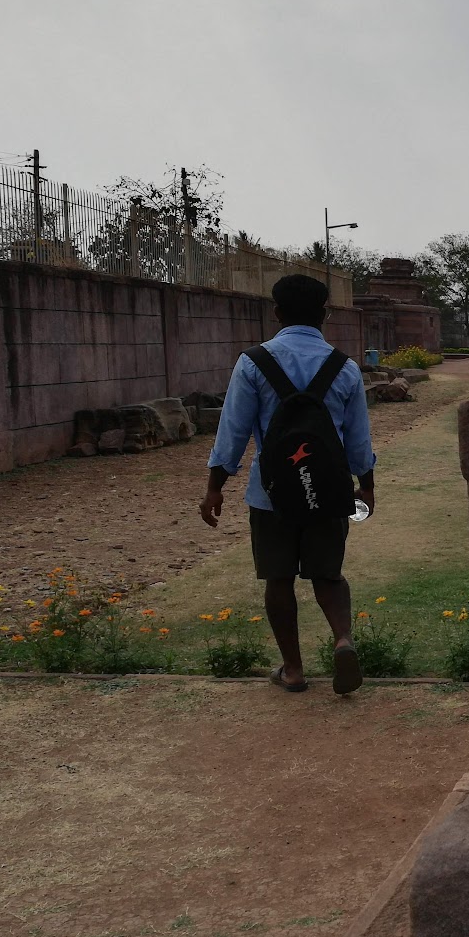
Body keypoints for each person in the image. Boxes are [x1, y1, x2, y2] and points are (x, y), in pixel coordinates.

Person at [200, 274, 375, 694]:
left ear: (276, 312)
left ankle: (293, 670)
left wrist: (215, 486)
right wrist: (366, 486)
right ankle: (343, 640)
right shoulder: (345, 368)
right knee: (328, 575)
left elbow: (233, 431)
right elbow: (358, 439)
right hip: (328, 491)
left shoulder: (253, 362)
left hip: (271, 494)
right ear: (325, 314)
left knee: (278, 579)